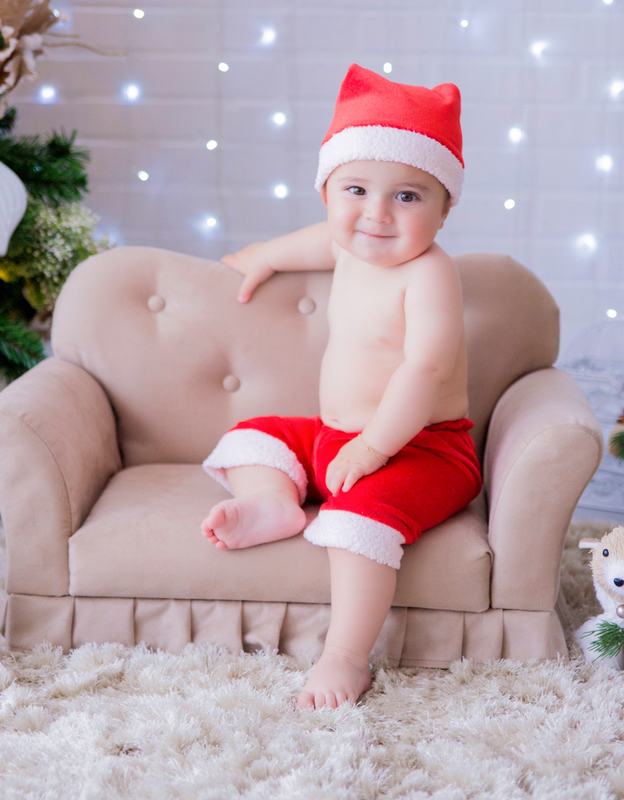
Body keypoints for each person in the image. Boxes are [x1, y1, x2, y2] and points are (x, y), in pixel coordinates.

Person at [201, 64, 482, 710]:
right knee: (256, 435)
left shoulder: (430, 276)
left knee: (357, 521)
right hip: (338, 440)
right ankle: (275, 502)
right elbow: (320, 242)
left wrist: (378, 446)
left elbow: (424, 370)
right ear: (328, 192)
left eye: (407, 197)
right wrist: (268, 254)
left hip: (423, 448)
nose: (377, 215)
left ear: (444, 209)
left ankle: (346, 656)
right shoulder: (349, 244)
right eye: (355, 190)